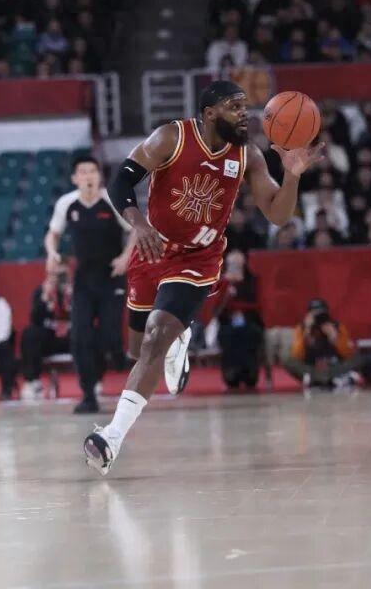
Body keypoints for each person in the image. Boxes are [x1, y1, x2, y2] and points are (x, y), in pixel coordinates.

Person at [83, 80, 322, 475]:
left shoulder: (248, 155)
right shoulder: (171, 138)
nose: (244, 114)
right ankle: (179, 336)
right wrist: (138, 224)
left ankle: (111, 437)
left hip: (199, 258)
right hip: (153, 249)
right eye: (234, 107)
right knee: (138, 350)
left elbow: (277, 214)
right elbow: (120, 181)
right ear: (210, 114)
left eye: (245, 106)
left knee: (156, 336)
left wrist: (293, 175)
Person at [44, 155, 132, 414]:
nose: (88, 176)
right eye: (82, 172)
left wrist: (125, 257)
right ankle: (88, 394)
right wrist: (51, 253)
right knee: (80, 337)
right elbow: (53, 234)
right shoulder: (67, 203)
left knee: (109, 336)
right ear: (75, 178)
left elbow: (136, 229)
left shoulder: (112, 200)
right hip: (83, 279)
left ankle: (115, 355)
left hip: (111, 277)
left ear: (99, 176)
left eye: (92, 171)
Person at [20, 264, 73, 400]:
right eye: (55, 275)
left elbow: (85, 317)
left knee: (90, 333)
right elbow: (34, 320)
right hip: (49, 338)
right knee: (29, 333)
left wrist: (71, 296)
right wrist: (45, 297)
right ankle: (32, 382)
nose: (58, 279)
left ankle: (92, 383)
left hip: (71, 337)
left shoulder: (76, 291)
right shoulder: (41, 292)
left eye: (62, 275)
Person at [282, 298, 362, 389]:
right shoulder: (302, 328)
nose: (319, 317)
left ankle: (318, 380)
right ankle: (333, 379)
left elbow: (348, 354)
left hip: (335, 366)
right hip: (313, 368)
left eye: (321, 313)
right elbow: (297, 356)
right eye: (315, 314)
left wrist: (334, 338)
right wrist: (307, 333)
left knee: (358, 359)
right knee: (289, 362)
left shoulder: (337, 327)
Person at [213, 248, 263, 389]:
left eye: (238, 264)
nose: (235, 267)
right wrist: (227, 286)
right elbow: (217, 308)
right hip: (228, 322)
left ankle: (249, 373)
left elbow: (258, 304)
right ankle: (231, 373)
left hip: (249, 320)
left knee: (248, 334)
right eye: (232, 264)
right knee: (229, 335)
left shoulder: (252, 281)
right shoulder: (223, 283)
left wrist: (237, 307)